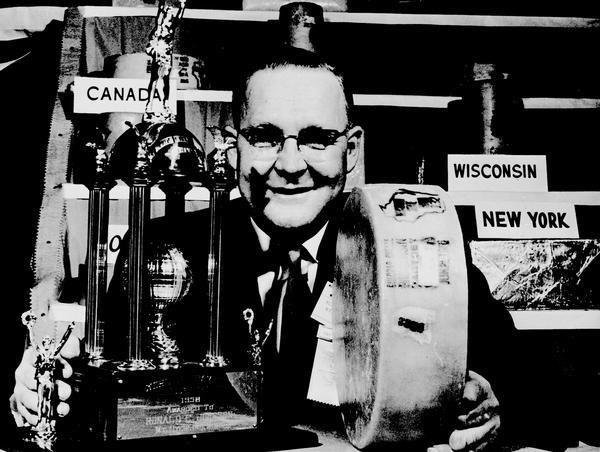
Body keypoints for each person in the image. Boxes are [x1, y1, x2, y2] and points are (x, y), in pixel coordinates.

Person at [11, 47, 515, 451]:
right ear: (232, 146)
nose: (290, 164)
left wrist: (492, 407)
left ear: (353, 150)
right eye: (266, 137)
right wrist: (49, 391)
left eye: (317, 139)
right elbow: (104, 392)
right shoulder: (164, 249)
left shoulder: (413, 251)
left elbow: (536, 386)